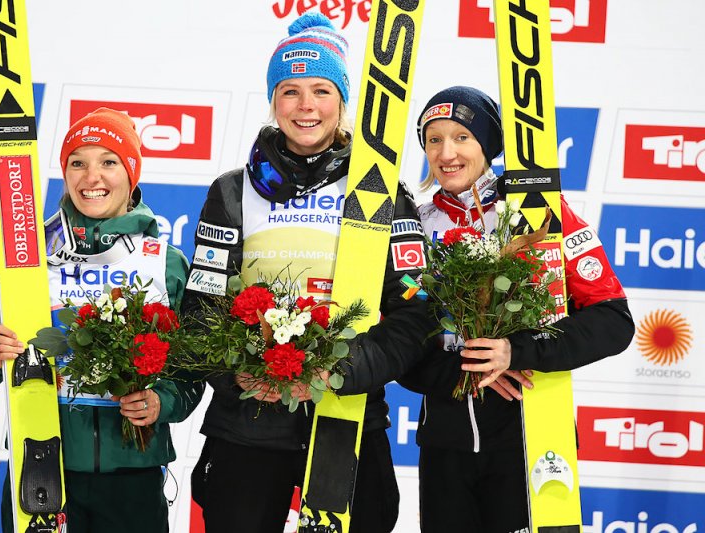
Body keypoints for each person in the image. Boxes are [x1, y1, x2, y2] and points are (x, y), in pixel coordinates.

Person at [181, 12, 434, 533]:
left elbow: (415, 308)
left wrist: (341, 369)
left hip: (347, 415)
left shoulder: (381, 192)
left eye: (321, 90)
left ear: (341, 101)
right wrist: (237, 374)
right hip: (248, 423)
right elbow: (202, 306)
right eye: (290, 91)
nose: (306, 106)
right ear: (273, 100)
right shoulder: (232, 191)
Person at [398, 86, 635, 532]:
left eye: (462, 137)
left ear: (488, 144)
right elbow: (397, 336)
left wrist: (515, 351)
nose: (446, 153)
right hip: (445, 445)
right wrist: (465, 371)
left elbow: (612, 321)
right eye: (434, 140)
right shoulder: (416, 226)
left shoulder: (537, 211)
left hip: (530, 435)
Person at [0, 107, 204, 533]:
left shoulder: (164, 263)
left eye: (108, 161)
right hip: (42, 465)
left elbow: (191, 370)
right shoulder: (31, 256)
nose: (92, 177)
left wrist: (160, 402)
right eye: (78, 163)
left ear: (131, 172)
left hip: (132, 474)